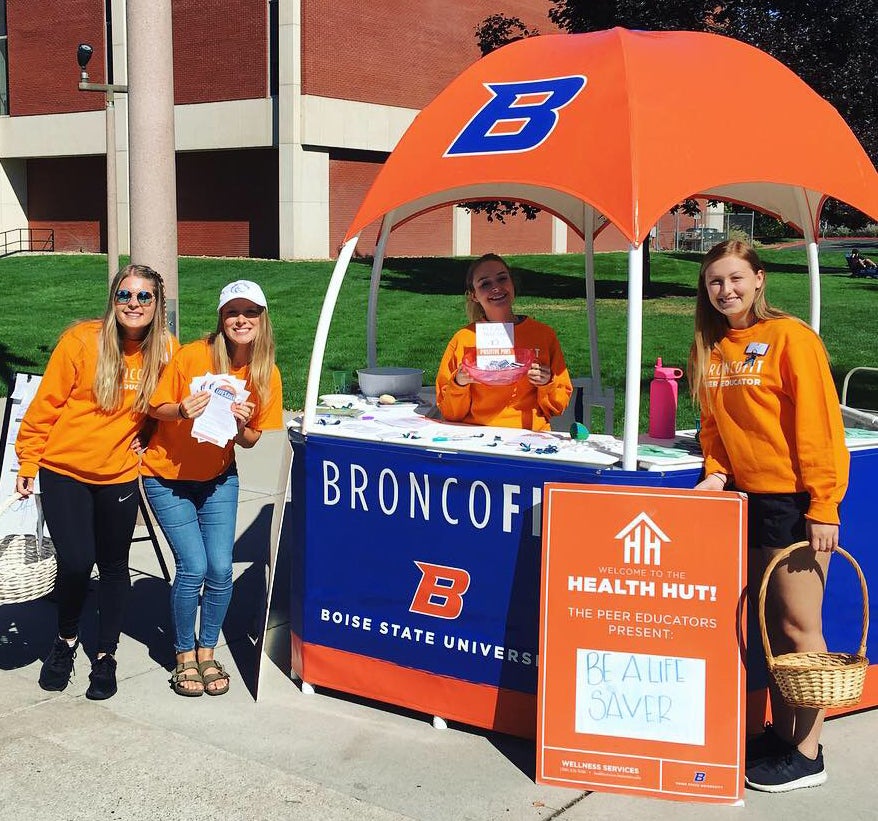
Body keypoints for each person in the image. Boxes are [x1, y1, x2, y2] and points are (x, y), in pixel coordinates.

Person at [688, 241, 849, 793]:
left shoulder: (791, 338)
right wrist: (715, 470)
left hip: (794, 502)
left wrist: (823, 505)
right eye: (715, 282)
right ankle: (782, 737)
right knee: (770, 630)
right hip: (748, 501)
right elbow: (715, 426)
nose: (725, 290)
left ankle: (809, 752)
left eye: (735, 278)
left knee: (800, 629)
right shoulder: (714, 346)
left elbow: (820, 426)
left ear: (759, 279)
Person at [15, 264, 174, 700]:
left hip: (118, 474)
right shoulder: (81, 342)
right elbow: (44, 407)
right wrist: (28, 462)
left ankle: (105, 655)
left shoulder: (165, 351)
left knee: (115, 565)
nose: (134, 304)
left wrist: (149, 436)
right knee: (77, 562)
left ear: (157, 305)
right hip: (64, 469)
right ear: (113, 300)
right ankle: (65, 642)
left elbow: (167, 407)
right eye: (125, 295)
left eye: (144, 297)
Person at [141, 280, 283, 697]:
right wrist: (182, 409)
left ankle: (207, 651)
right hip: (166, 478)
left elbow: (253, 439)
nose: (242, 319)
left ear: (262, 318)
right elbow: (155, 406)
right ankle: (183, 654)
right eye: (232, 312)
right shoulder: (193, 356)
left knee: (221, 569)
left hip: (219, 478)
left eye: (250, 312)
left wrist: (241, 425)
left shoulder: (264, 371)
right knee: (194, 567)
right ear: (221, 319)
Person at [436, 253, 572, 430]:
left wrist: (547, 383)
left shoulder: (543, 335)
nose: (496, 288)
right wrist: (459, 383)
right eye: (485, 283)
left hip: (530, 436)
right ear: (473, 296)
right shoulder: (463, 339)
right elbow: (450, 413)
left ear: (512, 283)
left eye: (502, 279)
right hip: (477, 435)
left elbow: (557, 407)